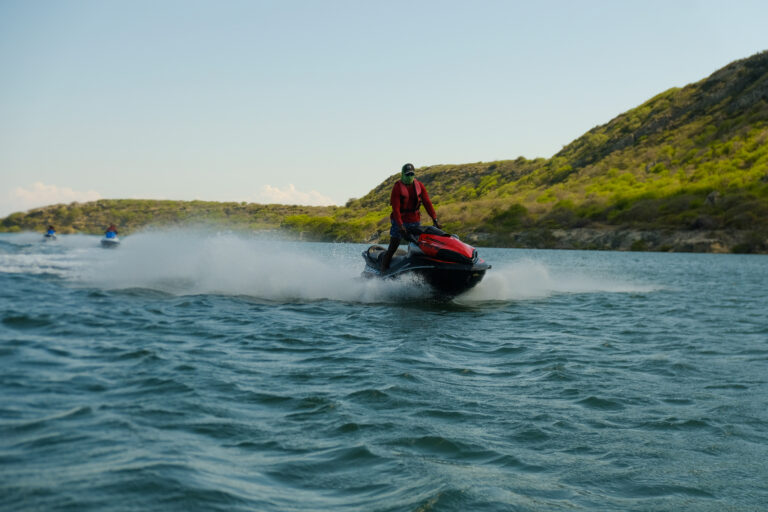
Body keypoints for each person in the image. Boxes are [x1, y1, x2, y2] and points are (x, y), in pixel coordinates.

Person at [381, 163, 441, 271]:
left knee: (419, 247)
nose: (409, 176)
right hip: (399, 221)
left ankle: (419, 269)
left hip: (414, 221)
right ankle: (383, 271)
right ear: (403, 174)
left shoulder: (419, 186)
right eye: (407, 174)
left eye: (412, 174)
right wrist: (400, 226)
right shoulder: (397, 187)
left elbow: (427, 203)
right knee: (393, 247)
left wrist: (435, 219)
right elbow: (396, 209)